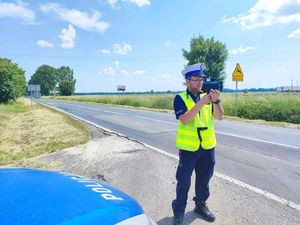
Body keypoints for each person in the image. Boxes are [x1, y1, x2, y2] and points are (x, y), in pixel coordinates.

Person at [172, 63, 224, 225]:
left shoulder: (208, 96)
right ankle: (179, 212)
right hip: (189, 149)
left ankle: (200, 205)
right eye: (195, 80)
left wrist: (216, 101)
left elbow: (220, 116)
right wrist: (202, 102)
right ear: (187, 81)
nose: (199, 83)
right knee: (184, 182)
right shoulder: (180, 98)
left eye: (201, 79)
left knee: (204, 180)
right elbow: (185, 120)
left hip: (208, 147)